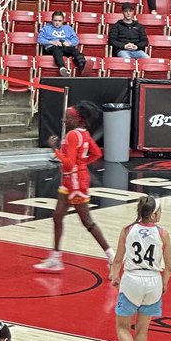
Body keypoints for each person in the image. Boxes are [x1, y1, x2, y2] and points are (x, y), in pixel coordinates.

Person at [34, 102, 113, 273]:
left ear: (76, 120)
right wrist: (82, 164)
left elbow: (69, 164)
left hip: (76, 183)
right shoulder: (84, 133)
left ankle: (111, 255)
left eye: (67, 117)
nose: (63, 120)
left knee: (88, 223)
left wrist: (55, 149)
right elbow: (97, 153)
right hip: (71, 181)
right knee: (57, 217)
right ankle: (55, 258)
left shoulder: (71, 136)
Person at [109, 196, 171, 341]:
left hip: (132, 280)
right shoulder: (163, 233)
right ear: (153, 215)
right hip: (153, 280)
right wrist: (165, 283)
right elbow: (169, 266)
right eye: (160, 211)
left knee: (122, 326)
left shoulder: (128, 230)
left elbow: (118, 259)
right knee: (142, 328)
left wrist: (114, 275)